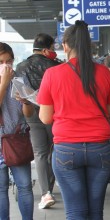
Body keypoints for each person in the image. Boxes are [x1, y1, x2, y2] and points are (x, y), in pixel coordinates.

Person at [37, 20, 110, 219]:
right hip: (100, 148)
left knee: (76, 212)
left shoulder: (52, 74)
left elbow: (46, 118)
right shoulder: (104, 72)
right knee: (95, 211)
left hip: (66, 149)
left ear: (65, 45)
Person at [15, 33, 61, 210]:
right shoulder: (55, 66)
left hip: (32, 115)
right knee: (55, 149)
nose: (54, 52)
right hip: (53, 114)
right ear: (46, 49)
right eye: (52, 48)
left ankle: (45, 193)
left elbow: (19, 92)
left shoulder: (20, 67)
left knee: (40, 153)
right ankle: (55, 186)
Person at [0, 42, 35, 220]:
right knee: (1, 190)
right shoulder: (7, 80)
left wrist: (26, 102)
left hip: (17, 139)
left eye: (9, 61)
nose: (6, 66)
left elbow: (28, 114)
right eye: (1, 62)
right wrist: (3, 84)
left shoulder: (20, 78)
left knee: (25, 186)